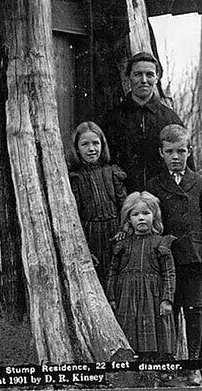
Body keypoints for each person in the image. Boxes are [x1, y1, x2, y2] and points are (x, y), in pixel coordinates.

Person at [146, 124, 202, 386]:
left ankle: (193, 366)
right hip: (165, 259)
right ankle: (168, 363)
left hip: (193, 256)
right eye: (169, 151)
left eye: (181, 151)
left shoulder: (200, 183)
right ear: (161, 153)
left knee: (193, 310)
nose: (175, 156)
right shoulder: (154, 185)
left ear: (189, 151)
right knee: (167, 311)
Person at [101, 51, 192, 193]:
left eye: (149, 74)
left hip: (163, 201)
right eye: (137, 74)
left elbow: (187, 168)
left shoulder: (170, 119)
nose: (144, 80)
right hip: (124, 199)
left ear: (157, 77)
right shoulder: (112, 119)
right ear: (128, 77)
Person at [106, 191, 175, 362]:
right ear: (128, 219)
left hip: (153, 298)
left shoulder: (161, 243)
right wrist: (112, 297)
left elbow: (169, 273)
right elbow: (112, 272)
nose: (141, 218)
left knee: (154, 334)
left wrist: (167, 299)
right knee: (129, 333)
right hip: (126, 299)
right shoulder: (122, 244)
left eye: (146, 213)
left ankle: (157, 368)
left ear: (155, 216)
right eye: (135, 214)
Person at [69, 121, 127, 285]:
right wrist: (85, 248)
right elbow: (75, 216)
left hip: (115, 233)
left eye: (96, 143)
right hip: (91, 235)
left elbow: (124, 206)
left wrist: (124, 230)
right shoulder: (76, 178)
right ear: (77, 148)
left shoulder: (112, 172)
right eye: (85, 144)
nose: (91, 149)